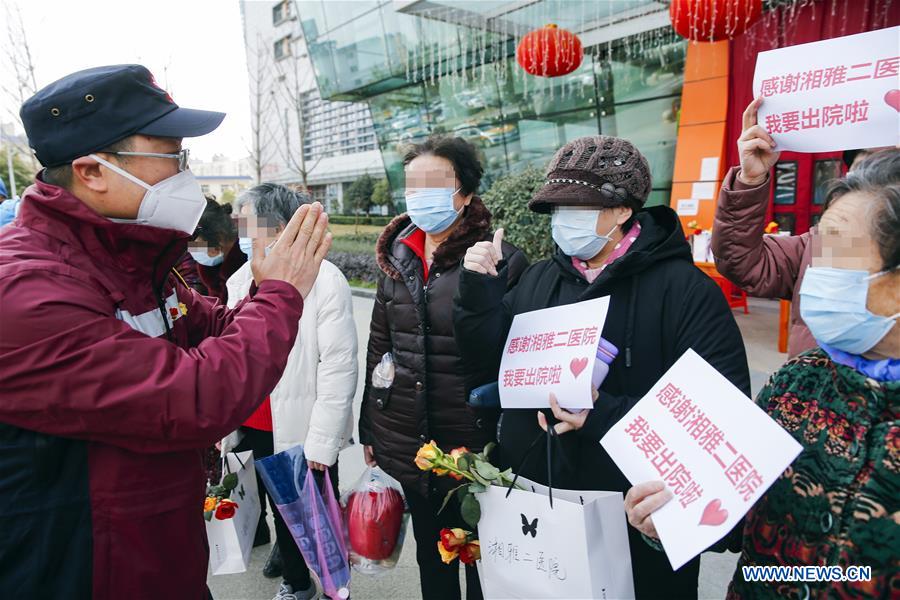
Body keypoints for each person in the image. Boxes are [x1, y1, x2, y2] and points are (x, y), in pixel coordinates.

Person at [0, 65, 333, 598]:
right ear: (91, 171)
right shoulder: (28, 290)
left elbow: (216, 326)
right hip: (87, 571)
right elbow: (195, 396)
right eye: (172, 157)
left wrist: (269, 286)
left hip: (159, 555)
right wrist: (280, 295)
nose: (187, 173)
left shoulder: (129, 259)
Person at [455, 135, 751, 600]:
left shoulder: (686, 292)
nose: (563, 218)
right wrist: (479, 292)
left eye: (577, 205)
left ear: (623, 209)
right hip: (538, 502)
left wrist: (603, 413)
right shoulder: (539, 278)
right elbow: (486, 362)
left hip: (634, 520)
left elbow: (720, 420)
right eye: (556, 207)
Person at [625, 149, 900, 599]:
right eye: (820, 248)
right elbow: (743, 521)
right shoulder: (798, 384)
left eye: (840, 253)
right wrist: (671, 519)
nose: (816, 271)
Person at [359, 135, 528, 600]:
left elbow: (511, 356)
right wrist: (370, 426)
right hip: (411, 441)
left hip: (474, 445)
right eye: (413, 185)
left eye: (435, 184)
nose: (420, 196)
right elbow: (380, 345)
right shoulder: (397, 254)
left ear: (466, 192)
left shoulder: (502, 259)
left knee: (481, 560)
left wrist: (483, 285)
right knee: (431, 559)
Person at [221, 183, 358, 600]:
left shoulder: (325, 279)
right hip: (253, 422)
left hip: (301, 427)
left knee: (317, 516)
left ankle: (335, 586)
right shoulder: (240, 279)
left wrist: (322, 442)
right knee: (278, 510)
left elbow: (338, 366)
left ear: (280, 227)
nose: (243, 235)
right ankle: (296, 583)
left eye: (249, 224)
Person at [711, 98, 890, 357]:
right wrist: (750, 180)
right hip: (813, 381)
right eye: (860, 171)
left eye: (887, 171)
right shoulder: (820, 245)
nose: (868, 185)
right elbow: (740, 260)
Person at [189, 195, 247, 303]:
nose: (191, 251)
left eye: (196, 245)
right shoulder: (210, 272)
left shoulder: (250, 264)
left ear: (219, 238)